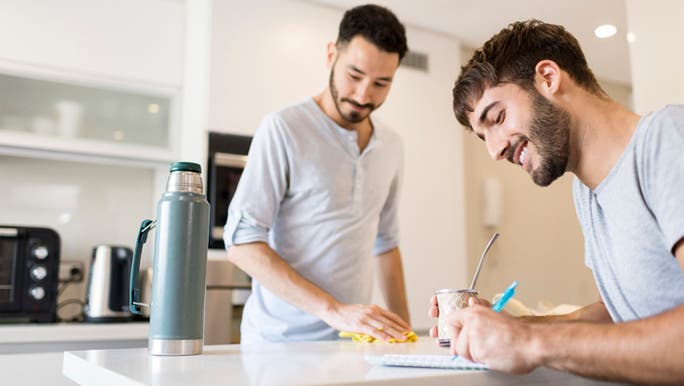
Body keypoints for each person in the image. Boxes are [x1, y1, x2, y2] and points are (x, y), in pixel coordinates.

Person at [429, 20, 684, 384]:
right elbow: (618, 317)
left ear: (548, 77)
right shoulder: (587, 192)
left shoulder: (668, 137)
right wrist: (505, 328)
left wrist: (533, 341)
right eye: (483, 136)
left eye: (497, 118)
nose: (495, 150)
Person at [225, 4, 412, 344]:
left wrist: (406, 333)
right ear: (331, 55)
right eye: (354, 76)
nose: (362, 95)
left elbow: (386, 243)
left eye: (381, 83)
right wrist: (333, 310)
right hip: (277, 344)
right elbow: (241, 242)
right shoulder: (284, 128)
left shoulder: (392, 146)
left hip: (352, 342)